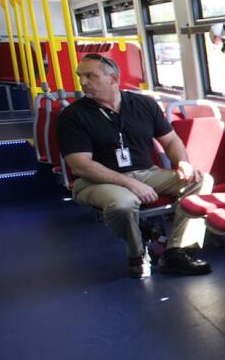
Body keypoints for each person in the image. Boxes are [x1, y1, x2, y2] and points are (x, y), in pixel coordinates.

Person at [56, 53, 213, 278]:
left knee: (201, 180)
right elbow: (81, 166)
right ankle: (137, 253)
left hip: (146, 173)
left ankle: (176, 251)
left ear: (113, 78)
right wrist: (130, 183)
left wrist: (183, 163)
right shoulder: (73, 116)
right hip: (96, 181)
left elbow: (170, 140)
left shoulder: (144, 104)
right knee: (123, 203)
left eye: (90, 76)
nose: (82, 82)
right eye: (80, 76)